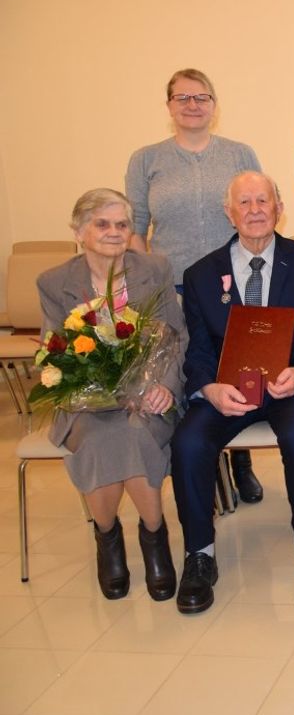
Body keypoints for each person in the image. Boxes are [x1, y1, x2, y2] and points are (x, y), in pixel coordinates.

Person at [169, 171, 294, 614]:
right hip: (229, 388)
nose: (256, 210)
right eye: (245, 203)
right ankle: (199, 556)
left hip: (291, 385)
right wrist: (208, 386)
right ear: (229, 212)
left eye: (264, 201)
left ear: (280, 208)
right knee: (186, 442)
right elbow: (199, 348)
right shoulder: (201, 274)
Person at [37, 189, 186, 601]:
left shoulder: (153, 268)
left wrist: (163, 387)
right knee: (99, 436)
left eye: (122, 224)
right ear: (79, 230)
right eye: (102, 224)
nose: (114, 232)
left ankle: (154, 536)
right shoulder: (54, 282)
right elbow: (55, 347)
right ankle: (109, 539)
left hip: (149, 395)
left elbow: (174, 336)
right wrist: (93, 388)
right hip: (88, 400)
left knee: (136, 433)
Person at [125, 68, 265, 504]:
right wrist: (148, 283)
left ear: (214, 105)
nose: (192, 104)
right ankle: (197, 468)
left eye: (201, 97)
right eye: (182, 97)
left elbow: (258, 211)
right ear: (169, 105)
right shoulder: (146, 160)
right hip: (175, 290)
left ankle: (240, 462)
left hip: (235, 286)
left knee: (240, 370)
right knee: (188, 376)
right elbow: (136, 229)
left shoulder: (240, 154)